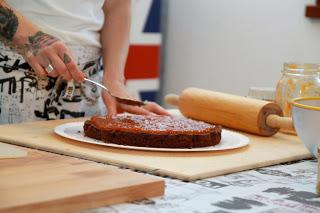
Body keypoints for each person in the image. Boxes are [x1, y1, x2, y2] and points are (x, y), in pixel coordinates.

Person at [0, 0, 169, 124]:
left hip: (88, 91)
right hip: (11, 75)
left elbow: (117, 6)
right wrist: (28, 37)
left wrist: (114, 79)